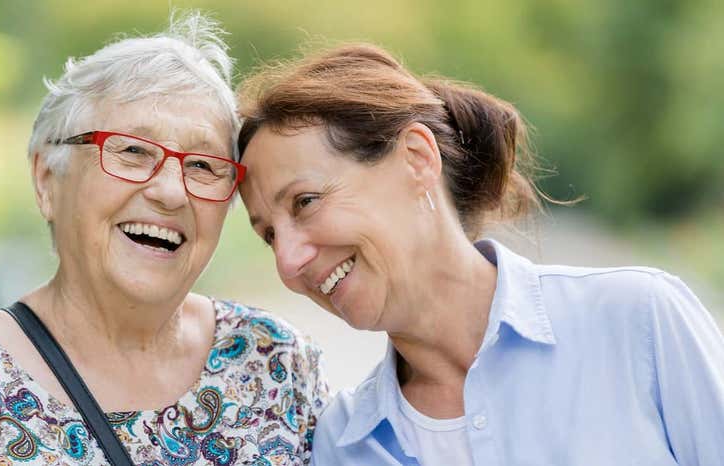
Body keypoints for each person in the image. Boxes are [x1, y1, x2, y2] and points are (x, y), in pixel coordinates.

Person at [0, 13, 328, 466]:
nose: (169, 191)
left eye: (202, 166)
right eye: (132, 151)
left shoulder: (275, 363)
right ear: (47, 180)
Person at [236, 43, 724, 465]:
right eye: (269, 236)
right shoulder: (343, 445)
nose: (288, 262)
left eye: (305, 202)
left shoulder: (637, 321)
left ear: (417, 159)